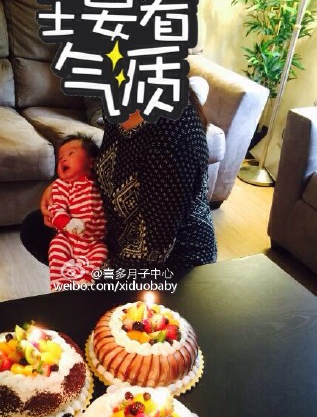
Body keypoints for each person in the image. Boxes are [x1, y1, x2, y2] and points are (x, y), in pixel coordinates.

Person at [20, 83, 217, 283]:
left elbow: (150, 253)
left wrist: (88, 278)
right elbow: (113, 163)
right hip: (119, 232)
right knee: (35, 229)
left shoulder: (173, 137)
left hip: (169, 265)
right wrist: (71, 183)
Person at [46, 134, 107, 289]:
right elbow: (56, 207)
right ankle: (59, 286)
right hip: (69, 238)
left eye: (71, 154)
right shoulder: (62, 186)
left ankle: (84, 280)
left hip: (94, 241)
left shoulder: (100, 182)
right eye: (60, 158)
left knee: (102, 252)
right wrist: (66, 222)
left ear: (92, 162)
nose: (63, 160)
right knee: (56, 247)